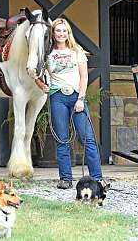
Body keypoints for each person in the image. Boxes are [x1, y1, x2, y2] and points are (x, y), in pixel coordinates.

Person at [41, 17, 103, 190]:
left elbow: (84, 76)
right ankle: (65, 178)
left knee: (87, 138)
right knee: (62, 139)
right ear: (53, 33)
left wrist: (81, 99)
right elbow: (36, 72)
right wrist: (41, 84)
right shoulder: (47, 53)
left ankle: (97, 178)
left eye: (64, 31)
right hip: (57, 97)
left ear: (68, 33)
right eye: (58, 30)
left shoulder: (77, 51)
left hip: (76, 97)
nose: (61, 34)